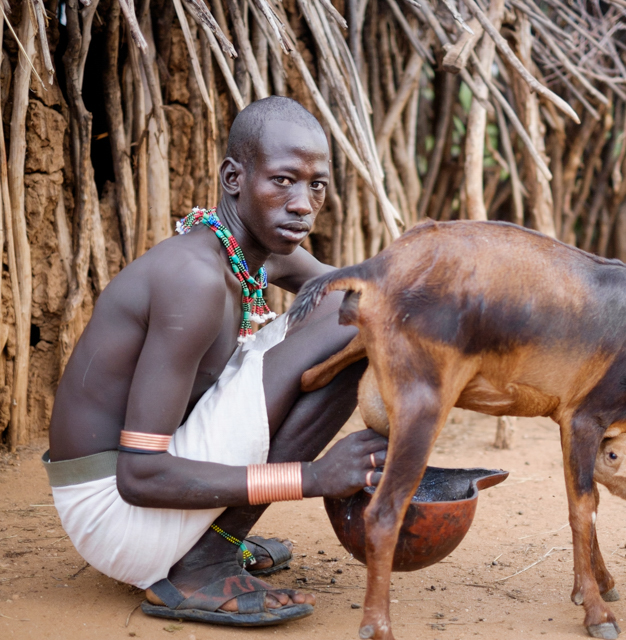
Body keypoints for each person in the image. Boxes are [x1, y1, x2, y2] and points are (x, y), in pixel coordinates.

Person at [44, 96, 388, 626]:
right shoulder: (195, 280)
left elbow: (354, 288)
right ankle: (203, 563)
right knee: (351, 324)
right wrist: (313, 477)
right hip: (118, 514)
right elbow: (140, 476)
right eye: (282, 180)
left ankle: (211, 541)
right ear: (234, 177)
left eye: (316, 184)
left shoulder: (252, 249)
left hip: (149, 501)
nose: (302, 202)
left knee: (355, 309)